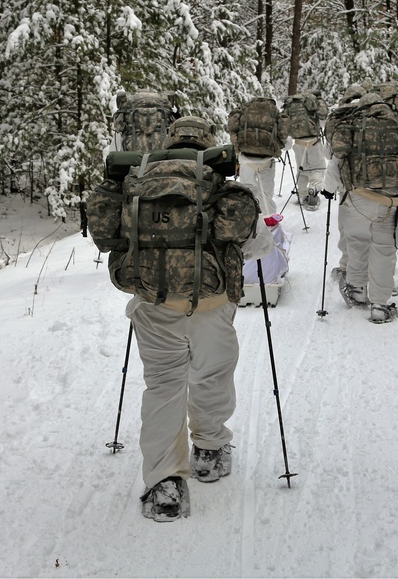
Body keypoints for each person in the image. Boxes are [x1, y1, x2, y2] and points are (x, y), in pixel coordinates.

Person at [99, 118, 275, 522]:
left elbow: (116, 240)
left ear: (167, 144)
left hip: (155, 306)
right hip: (212, 304)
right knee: (211, 375)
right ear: (210, 146)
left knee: (163, 386)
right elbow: (259, 244)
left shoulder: (139, 181)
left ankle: (164, 485)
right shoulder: (222, 185)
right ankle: (210, 451)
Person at [322, 87, 398, 324]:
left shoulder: (352, 124)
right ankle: (380, 305)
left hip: (358, 196)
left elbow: (337, 160)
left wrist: (329, 189)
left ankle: (358, 291)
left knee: (357, 244)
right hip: (390, 200)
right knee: (383, 250)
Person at [282, 89, 330, 211]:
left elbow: (284, 121)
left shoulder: (292, 104)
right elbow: (324, 117)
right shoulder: (313, 102)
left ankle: (302, 194)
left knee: (301, 169)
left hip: (298, 142)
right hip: (314, 141)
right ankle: (314, 189)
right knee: (318, 168)